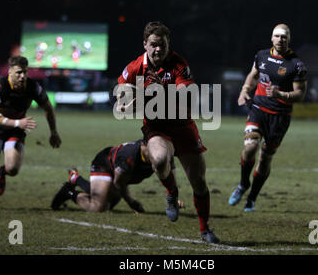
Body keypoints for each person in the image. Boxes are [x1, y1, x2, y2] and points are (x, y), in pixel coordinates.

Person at [116, 21, 219, 243]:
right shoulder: (135, 67)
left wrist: (155, 94)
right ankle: (172, 193)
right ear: (145, 44)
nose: (158, 50)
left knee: (198, 182)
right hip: (156, 128)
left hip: (183, 126)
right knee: (161, 160)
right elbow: (122, 93)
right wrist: (126, 102)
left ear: (168, 44)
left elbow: (185, 93)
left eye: (162, 45)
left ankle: (205, 229)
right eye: (153, 44)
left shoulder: (178, 63)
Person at [228, 24, 308, 212]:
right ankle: (242, 185)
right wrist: (244, 90)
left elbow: (300, 94)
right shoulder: (261, 55)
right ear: (272, 38)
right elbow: (253, 75)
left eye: (284, 37)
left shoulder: (297, 65)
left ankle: (252, 198)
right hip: (258, 109)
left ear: (289, 40)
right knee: (250, 147)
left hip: (279, 117)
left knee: (265, 159)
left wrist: (281, 95)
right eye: (277, 36)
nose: (280, 40)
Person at [0, 56, 61, 209]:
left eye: (24, 72)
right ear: (10, 72)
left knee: (13, 169)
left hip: (15, 130)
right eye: (18, 73)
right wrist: (18, 122)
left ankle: (2, 171)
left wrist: (54, 132)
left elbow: (48, 109)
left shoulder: (33, 87)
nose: (22, 76)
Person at [50, 139, 180, 213]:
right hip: (105, 164)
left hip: (120, 176)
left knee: (107, 204)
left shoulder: (161, 154)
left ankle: (75, 178)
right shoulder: (129, 156)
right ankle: (68, 190)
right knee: (98, 207)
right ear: (145, 145)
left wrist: (173, 196)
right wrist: (132, 203)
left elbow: (170, 171)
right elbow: (119, 183)